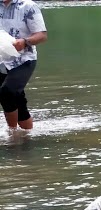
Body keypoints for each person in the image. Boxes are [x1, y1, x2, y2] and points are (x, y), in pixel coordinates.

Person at [0, 0, 47, 132]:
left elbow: (42, 35)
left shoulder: (28, 6)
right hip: (2, 60)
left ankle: (12, 133)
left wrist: (25, 41)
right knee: (17, 100)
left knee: (6, 92)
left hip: (24, 59)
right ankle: (27, 134)